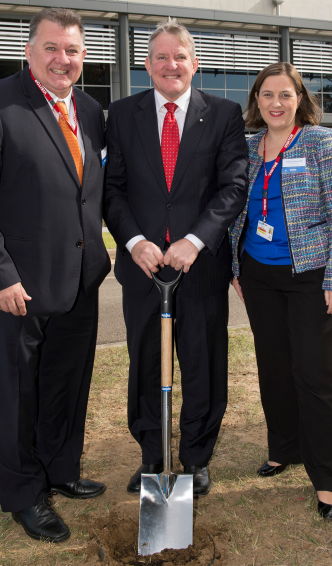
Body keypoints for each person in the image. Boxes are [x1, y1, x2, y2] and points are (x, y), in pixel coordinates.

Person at [0, 8, 111, 543]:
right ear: (29, 51)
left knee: (66, 384)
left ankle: (60, 470)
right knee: (13, 394)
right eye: (51, 48)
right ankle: (24, 493)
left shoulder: (90, 110)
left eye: (71, 50)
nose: (61, 59)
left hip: (78, 279)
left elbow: (86, 192)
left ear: (83, 57)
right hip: (13, 286)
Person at [104, 18, 249, 497]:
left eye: (180, 56)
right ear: (147, 65)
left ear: (195, 63)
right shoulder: (122, 115)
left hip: (200, 265)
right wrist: (134, 241)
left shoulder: (225, 114)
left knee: (203, 362)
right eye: (162, 57)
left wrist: (196, 239)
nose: (172, 65)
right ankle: (152, 454)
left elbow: (233, 188)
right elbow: (113, 190)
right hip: (143, 267)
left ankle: (196, 457)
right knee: (146, 362)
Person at [229, 62, 332, 520]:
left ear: (300, 99)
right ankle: (283, 448)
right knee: (274, 367)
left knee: (313, 375)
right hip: (259, 273)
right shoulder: (246, 147)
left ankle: (327, 481)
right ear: (256, 102)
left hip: (312, 274)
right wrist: (235, 267)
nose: (276, 104)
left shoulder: (323, 142)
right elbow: (232, 208)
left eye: (285, 95)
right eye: (267, 95)